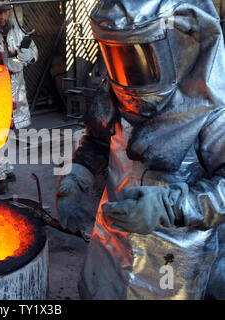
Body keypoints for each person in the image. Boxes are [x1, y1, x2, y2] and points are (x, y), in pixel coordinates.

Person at [56, 0, 225, 299]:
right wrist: (76, 178)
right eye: (115, 54)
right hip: (112, 246)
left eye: (136, 54)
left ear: (179, 42)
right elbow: (97, 141)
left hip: (178, 264)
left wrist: (170, 206)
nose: (126, 70)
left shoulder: (213, 113)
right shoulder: (115, 93)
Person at [0, 0, 38, 194]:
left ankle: (6, 167)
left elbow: (34, 51)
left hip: (15, 89)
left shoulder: (18, 29)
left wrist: (27, 56)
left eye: (5, 12)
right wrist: (5, 64)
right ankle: (0, 174)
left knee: (8, 129)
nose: (2, 17)